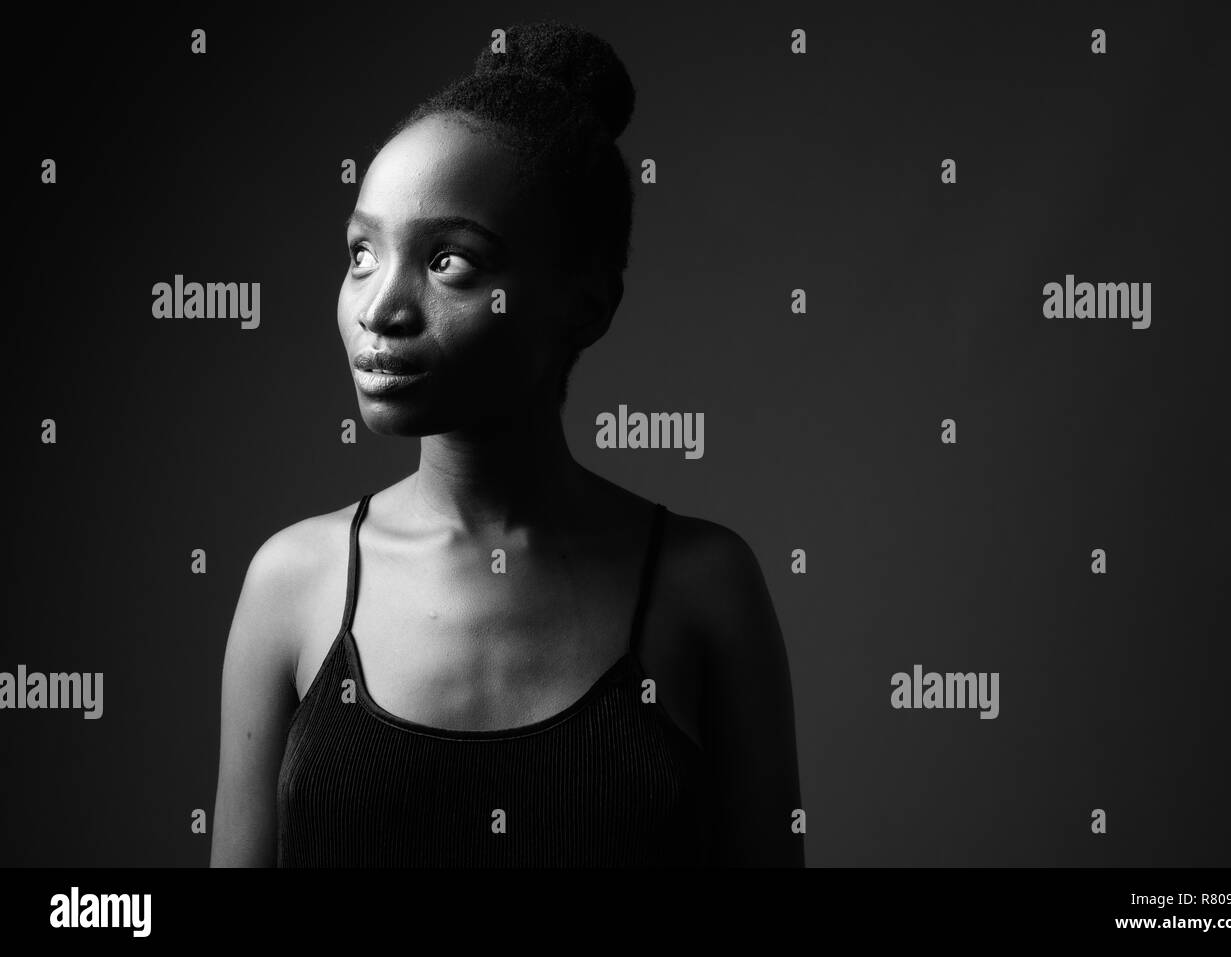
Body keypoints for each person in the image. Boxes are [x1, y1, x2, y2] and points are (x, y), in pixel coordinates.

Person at [210, 19, 802, 867]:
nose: (380, 308)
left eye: (450, 261)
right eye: (362, 253)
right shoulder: (292, 583)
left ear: (587, 302)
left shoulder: (703, 588)